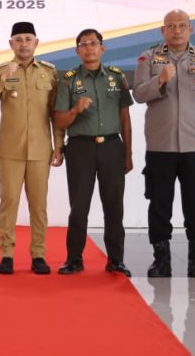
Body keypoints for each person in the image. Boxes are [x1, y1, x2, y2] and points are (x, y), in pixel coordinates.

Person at [133, 9, 195, 278]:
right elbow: (139, 94)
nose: (177, 30)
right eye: (171, 26)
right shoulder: (148, 58)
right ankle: (161, 260)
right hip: (160, 145)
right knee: (159, 204)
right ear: (163, 30)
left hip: (194, 145)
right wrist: (159, 80)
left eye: (182, 25)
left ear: (190, 29)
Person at [0, 22, 62, 275]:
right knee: (9, 203)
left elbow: (56, 113)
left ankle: (38, 254)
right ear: (11, 44)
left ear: (36, 42)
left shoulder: (49, 72)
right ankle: (6, 254)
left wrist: (58, 145)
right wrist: (3, 78)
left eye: (28, 39)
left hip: (40, 150)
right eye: (18, 39)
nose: (23, 44)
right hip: (11, 150)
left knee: (38, 206)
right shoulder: (1, 70)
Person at [54, 29, 134, 276]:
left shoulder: (116, 77)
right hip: (80, 148)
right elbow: (59, 120)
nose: (89, 48)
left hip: (111, 147)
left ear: (102, 48)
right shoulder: (68, 80)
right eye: (83, 44)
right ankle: (74, 259)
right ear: (77, 50)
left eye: (93, 43)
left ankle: (116, 260)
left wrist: (128, 153)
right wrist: (75, 110)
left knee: (114, 206)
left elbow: (125, 118)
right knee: (79, 207)